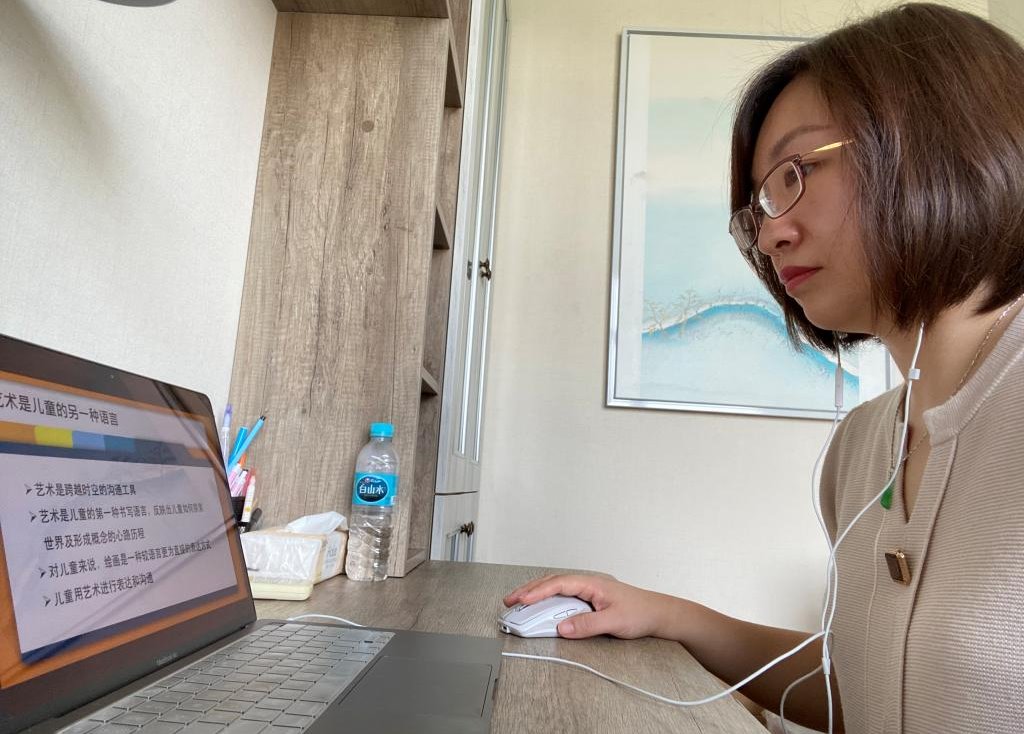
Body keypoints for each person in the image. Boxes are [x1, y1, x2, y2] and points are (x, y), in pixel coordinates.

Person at [503, 4, 1024, 733]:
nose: (770, 234)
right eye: (758, 207)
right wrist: (670, 616)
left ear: (938, 144)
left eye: (795, 173)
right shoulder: (860, 446)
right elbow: (858, 691)